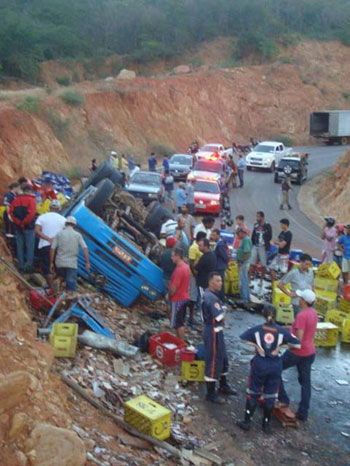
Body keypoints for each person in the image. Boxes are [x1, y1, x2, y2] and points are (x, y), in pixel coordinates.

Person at [237, 304, 300, 432]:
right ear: (276, 315)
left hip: (260, 363)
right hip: (275, 365)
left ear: (263, 315)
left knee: (253, 392)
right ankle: (266, 425)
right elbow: (297, 344)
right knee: (270, 395)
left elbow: (242, 338)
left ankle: (247, 422)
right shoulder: (281, 331)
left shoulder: (257, 329)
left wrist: (256, 345)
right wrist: (280, 347)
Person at [278, 289, 318, 421]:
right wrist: (286, 328)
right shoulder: (313, 313)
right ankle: (303, 412)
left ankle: (283, 398)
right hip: (310, 352)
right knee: (305, 383)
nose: (298, 300)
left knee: (275, 369)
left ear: (304, 301)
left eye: (300, 298)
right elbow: (305, 330)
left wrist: (284, 344)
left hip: (297, 352)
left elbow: (298, 338)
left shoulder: (301, 315)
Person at [202, 272, 237, 403]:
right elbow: (220, 317)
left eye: (221, 281)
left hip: (216, 330)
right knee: (214, 360)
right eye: (217, 281)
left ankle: (223, 384)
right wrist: (224, 311)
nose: (220, 283)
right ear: (210, 282)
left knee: (222, 357)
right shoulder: (212, 298)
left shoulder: (209, 295)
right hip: (213, 331)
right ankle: (210, 393)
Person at [50, 216, 90, 293]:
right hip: (71, 264)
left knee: (61, 276)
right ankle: (69, 295)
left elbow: (52, 248)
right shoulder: (78, 235)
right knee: (71, 283)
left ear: (66, 224)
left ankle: (58, 281)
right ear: (74, 225)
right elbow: (85, 248)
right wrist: (87, 262)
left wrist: (51, 262)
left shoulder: (59, 234)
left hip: (59, 262)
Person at [35, 200, 66, 289]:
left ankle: (51, 289)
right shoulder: (63, 220)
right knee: (58, 268)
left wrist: (48, 238)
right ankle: (56, 286)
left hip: (45, 246)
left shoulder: (42, 217)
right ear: (59, 209)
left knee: (47, 268)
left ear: (49, 208)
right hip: (59, 247)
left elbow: (37, 230)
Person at [9, 184, 36, 273]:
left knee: (19, 246)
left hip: (18, 227)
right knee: (29, 246)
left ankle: (20, 266)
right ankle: (28, 266)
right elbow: (31, 214)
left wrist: (18, 223)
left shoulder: (15, 200)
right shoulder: (31, 200)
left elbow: (11, 213)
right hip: (28, 227)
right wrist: (23, 223)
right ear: (29, 191)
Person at [169, 247, 190, 341]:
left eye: (172, 256)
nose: (171, 258)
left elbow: (174, 287)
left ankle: (181, 343)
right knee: (180, 321)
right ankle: (179, 342)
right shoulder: (186, 267)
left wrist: (169, 295)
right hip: (184, 297)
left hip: (178, 298)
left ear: (177, 256)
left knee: (178, 323)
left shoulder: (179, 269)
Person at [188, 231, 206, 327]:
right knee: (192, 296)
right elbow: (191, 262)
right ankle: (191, 317)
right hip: (193, 275)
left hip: (197, 275)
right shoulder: (193, 248)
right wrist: (195, 273)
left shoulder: (197, 247)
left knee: (196, 296)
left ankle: (193, 316)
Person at [249, 211, 272, 284]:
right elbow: (253, 234)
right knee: (252, 263)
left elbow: (270, 236)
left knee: (263, 265)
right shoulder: (256, 225)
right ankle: (249, 279)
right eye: (257, 216)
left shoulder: (267, 225)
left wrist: (265, 243)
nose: (257, 218)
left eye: (258, 217)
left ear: (262, 217)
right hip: (255, 246)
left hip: (263, 247)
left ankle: (261, 280)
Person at [270, 218, 293, 283]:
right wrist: (277, 243)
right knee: (271, 267)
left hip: (284, 255)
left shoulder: (289, 234)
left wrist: (275, 243)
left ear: (285, 225)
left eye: (282, 224)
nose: (281, 225)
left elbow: (282, 245)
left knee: (283, 272)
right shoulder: (282, 232)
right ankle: (273, 284)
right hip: (279, 253)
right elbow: (278, 240)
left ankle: (281, 285)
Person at [211, 229, 229, 301]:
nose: (213, 237)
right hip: (218, 266)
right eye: (212, 235)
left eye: (214, 235)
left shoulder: (220, 244)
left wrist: (225, 263)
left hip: (220, 267)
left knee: (219, 283)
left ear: (218, 235)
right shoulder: (218, 243)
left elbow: (224, 256)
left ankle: (221, 299)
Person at [236, 227, 253, 302]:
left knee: (244, 280)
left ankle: (244, 298)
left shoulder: (246, 240)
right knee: (244, 279)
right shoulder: (245, 239)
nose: (237, 235)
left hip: (244, 263)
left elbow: (247, 253)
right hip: (244, 262)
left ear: (242, 233)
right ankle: (245, 296)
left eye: (238, 233)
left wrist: (241, 261)